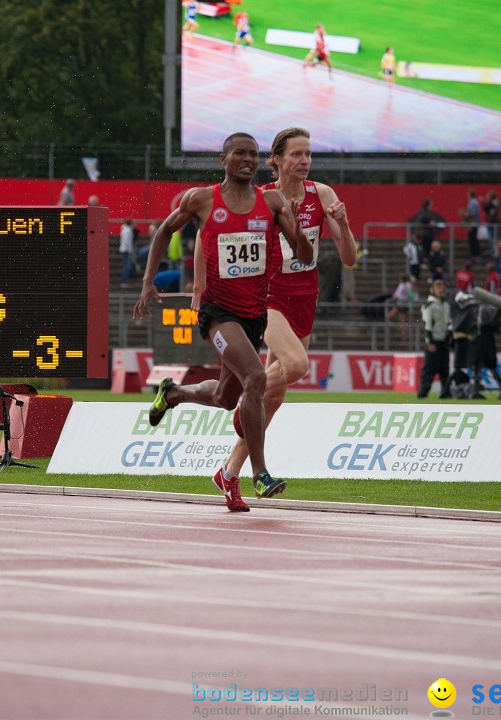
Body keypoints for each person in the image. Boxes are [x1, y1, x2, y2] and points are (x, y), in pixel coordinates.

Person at [133, 132, 311, 508]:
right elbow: (165, 230)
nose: (247, 159)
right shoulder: (201, 199)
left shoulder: (273, 201)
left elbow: (302, 252)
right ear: (223, 159)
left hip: (253, 315)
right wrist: (148, 282)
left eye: (253, 154)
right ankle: (260, 474)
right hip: (218, 314)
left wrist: (296, 228)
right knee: (257, 378)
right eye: (239, 153)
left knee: (225, 397)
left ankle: (173, 393)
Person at [213, 127, 357, 511]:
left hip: (304, 298)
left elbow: (349, 258)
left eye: (308, 154)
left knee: (273, 398)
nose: (305, 161)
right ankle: (247, 400)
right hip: (268, 296)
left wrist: (341, 224)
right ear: (276, 160)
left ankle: (229, 474)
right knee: (296, 365)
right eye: (296, 154)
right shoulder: (260, 198)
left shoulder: (322, 194)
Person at [418, 278, 451, 399]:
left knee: (444, 369)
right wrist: (430, 342)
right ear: (433, 290)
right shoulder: (430, 305)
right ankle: (423, 392)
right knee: (429, 368)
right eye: (438, 288)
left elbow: (448, 322)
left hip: (443, 340)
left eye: (442, 288)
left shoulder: (446, 305)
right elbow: (427, 325)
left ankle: (445, 391)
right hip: (433, 340)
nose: (440, 290)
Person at [119, 218, 137, 287]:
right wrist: (129, 250)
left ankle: (125, 280)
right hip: (126, 250)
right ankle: (125, 281)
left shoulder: (125, 229)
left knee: (127, 266)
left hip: (125, 250)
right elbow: (127, 242)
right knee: (127, 266)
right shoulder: (127, 230)